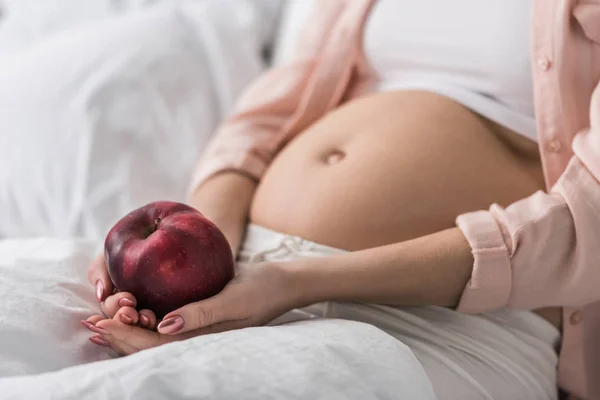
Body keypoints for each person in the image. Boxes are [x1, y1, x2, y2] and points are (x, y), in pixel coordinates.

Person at [82, 1, 600, 399]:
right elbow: (271, 114)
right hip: (253, 273)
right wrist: (199, 250)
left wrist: (294, 283)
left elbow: (588, 218)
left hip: (445, 322)